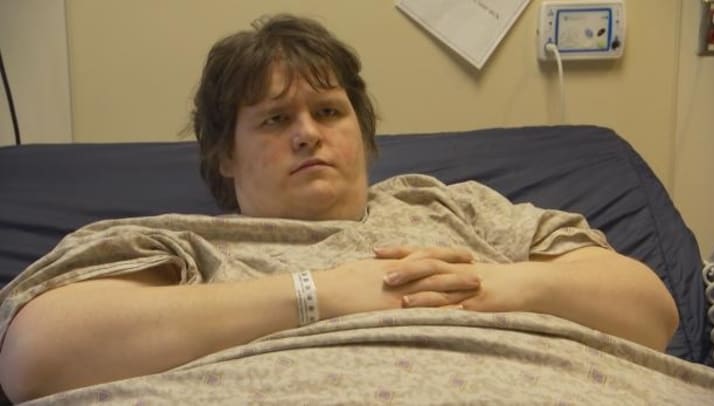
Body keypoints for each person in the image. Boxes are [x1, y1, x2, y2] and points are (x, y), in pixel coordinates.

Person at [0, 14, 679, 403]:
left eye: (328, 111)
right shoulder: (177, 243)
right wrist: (319, 294)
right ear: (225, 155)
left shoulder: (459, 208)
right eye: (274, 120)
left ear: (363, 134)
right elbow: (37, 356)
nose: (307, 133)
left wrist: (495, 284)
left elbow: (651, 312)